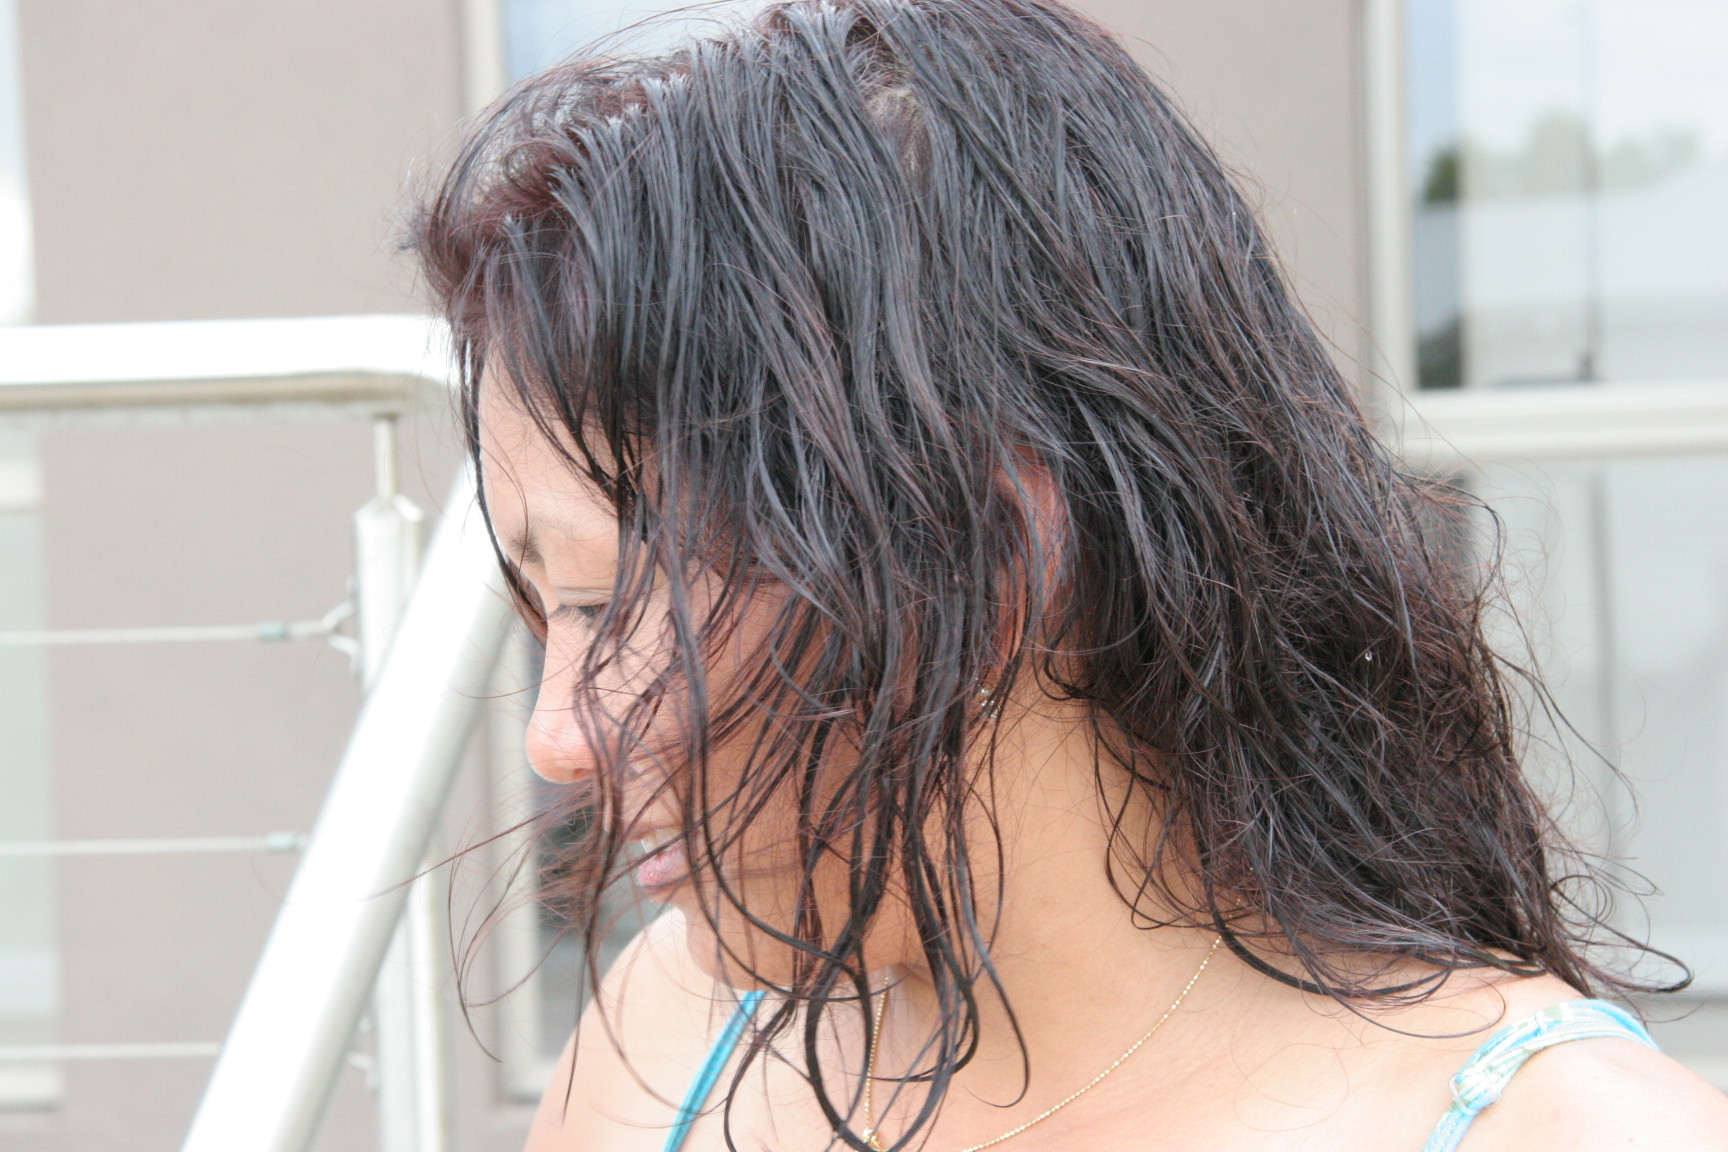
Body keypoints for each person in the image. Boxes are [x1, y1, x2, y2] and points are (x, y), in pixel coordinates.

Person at [412, 0, 1728, 1148]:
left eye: (604, 605)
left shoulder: (1561, 1130)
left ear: (988, 554)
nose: (557, 737)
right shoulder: (676, 1033)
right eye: (544, 616)